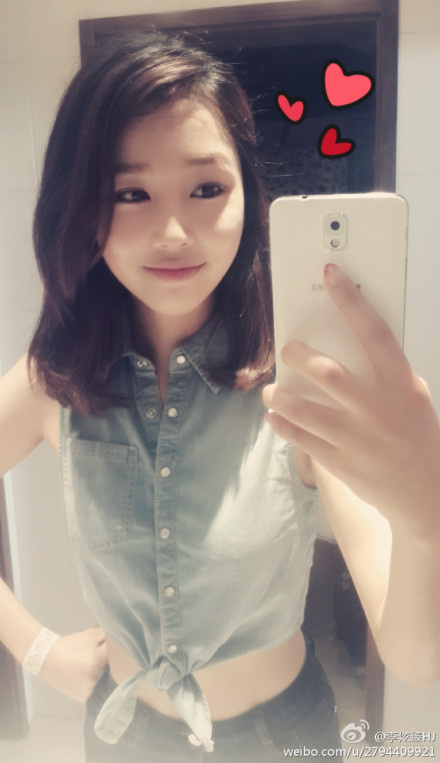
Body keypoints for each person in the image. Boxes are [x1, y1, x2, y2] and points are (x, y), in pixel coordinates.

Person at [0, 30, 439, 763]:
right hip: (122, 738)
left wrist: (427, 515)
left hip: (280, 737)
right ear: (83, 208)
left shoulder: (302, 380)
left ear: (247, 196)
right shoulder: (58, 375)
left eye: (207, 189)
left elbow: (416, 656)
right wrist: (37, 647)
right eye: (130, 193)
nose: (174, 232)